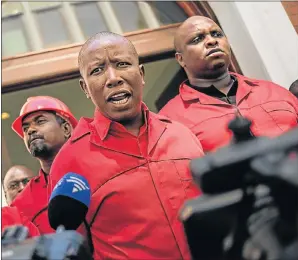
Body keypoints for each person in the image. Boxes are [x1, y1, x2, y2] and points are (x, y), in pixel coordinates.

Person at [49, 31, 205, 260]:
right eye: (97, 70)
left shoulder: (181, 134)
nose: (113, 78)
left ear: (141, 74)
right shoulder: (69, 162)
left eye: (122, 64)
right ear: (85, 88)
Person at [159, 16, 298, 153]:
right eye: (197, 39)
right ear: (181, 59)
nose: (212, 41)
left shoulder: (274, 91)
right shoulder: (170, 121)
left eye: (217, 34)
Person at [10, 96, 77, 234]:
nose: (30, 130)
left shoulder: (98, 170)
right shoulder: (22, 203)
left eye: (40, 121)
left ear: (66, 128)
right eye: (25, 128)